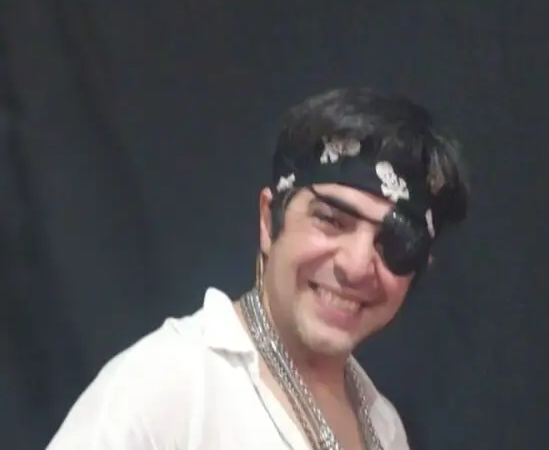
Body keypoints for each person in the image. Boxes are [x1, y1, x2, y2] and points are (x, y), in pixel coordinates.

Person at [46, 87, 470, 450]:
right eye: (331, 219)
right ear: (270, 220)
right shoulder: (169, 387)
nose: (358, 266)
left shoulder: (383, 425)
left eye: (396, 242)